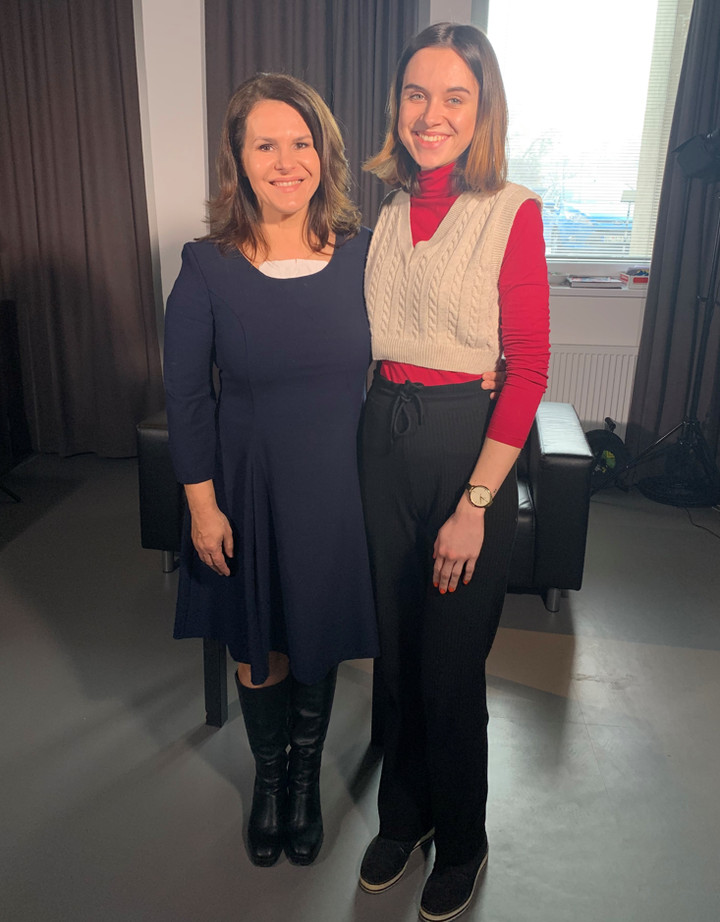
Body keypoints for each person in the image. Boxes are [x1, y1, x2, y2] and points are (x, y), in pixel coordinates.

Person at [162, 74, 382, 869]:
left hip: (338, 490)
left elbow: (416, 342)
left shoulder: (365, 254)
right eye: (266, 145)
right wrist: (202, 507)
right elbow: (186, 395)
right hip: (245, 489)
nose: (286, 162)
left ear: (325, 154)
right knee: (260, 645)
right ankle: (270, 779)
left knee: (316, 637)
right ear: (239, 159)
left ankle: (304, 785)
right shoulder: (207, 267)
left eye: (301, 143)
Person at [358, 23, 550, 922]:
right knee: (395, 656)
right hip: (381, 437)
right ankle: (405, 817)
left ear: (483, 112)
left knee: (449, 667)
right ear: (397, 106)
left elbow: (529, 369)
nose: (430, 115)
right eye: (416, 94)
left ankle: (463, 839)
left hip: (467, 447)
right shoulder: (383, 210)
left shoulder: (512, 210)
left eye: (454, 97)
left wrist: (476, 503)